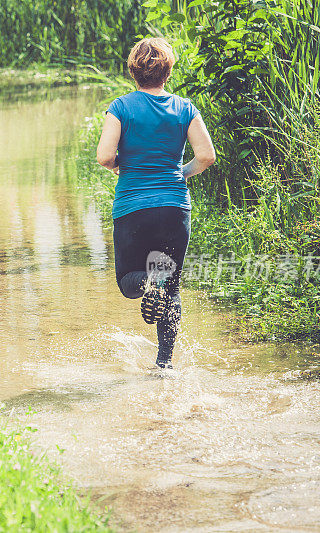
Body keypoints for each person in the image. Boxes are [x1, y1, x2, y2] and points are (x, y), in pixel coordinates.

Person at [96, 37, 216, 369]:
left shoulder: (120, 107)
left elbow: (104, 155)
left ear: (134, 71)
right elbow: (206, 156)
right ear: (167, 70)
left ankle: (148, 283)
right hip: (174, 208)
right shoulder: (185, 107)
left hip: (133, 208)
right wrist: (180, 173)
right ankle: (164, 365)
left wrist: (120, 166)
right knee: (171, 285)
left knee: (127, 281)